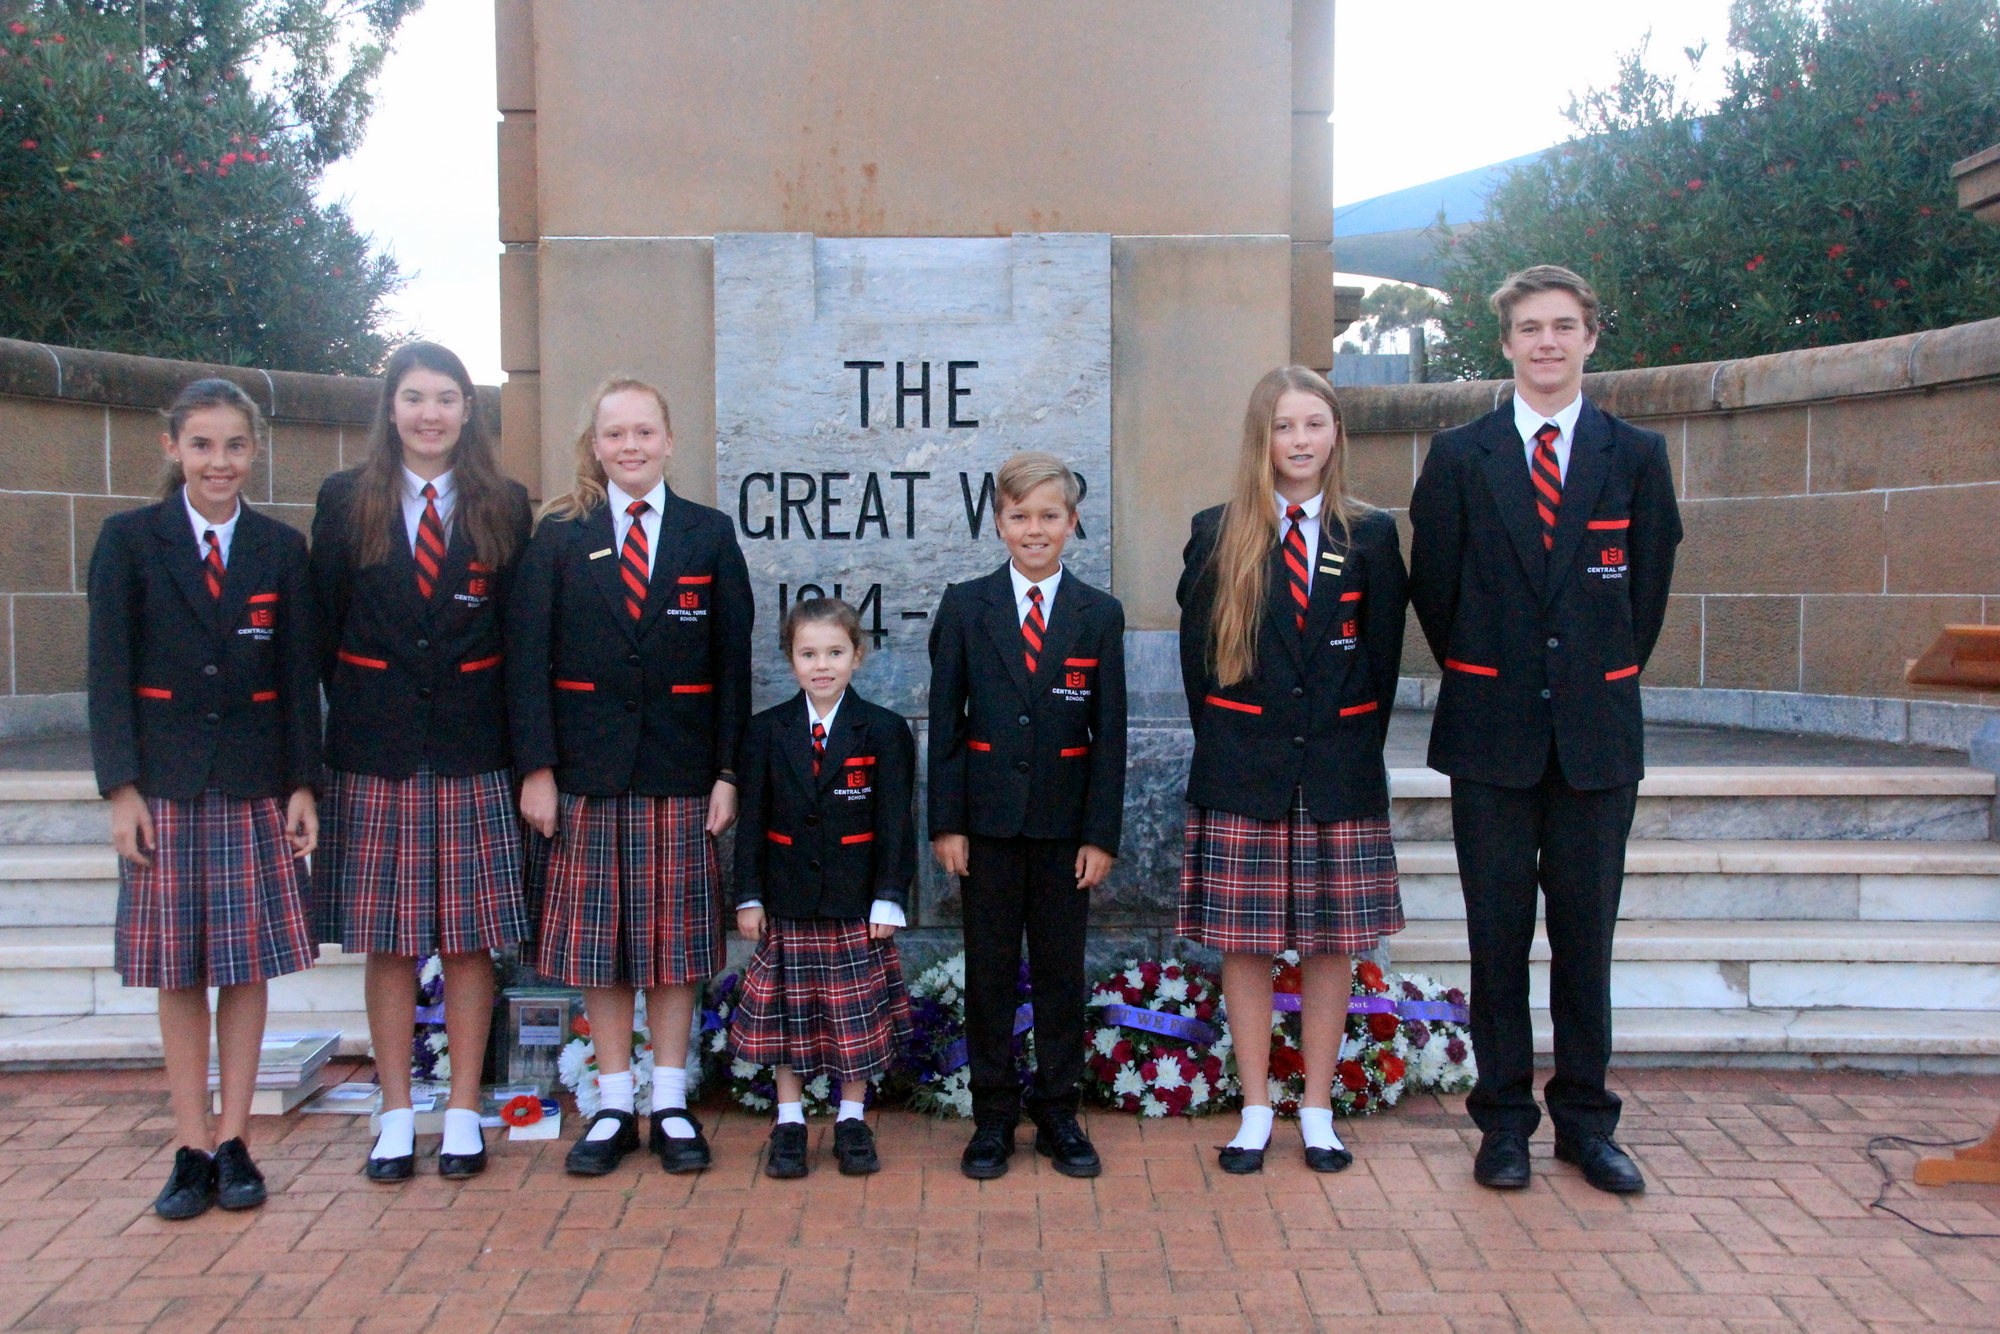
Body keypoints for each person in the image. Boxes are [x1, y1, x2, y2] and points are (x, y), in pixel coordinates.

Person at [1408, 265, 1682, 1195]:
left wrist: (1587, 676)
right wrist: (1500, 671)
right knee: (1495, 939)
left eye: (1564, 326)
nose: (1547, 342)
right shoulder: (1461, 455)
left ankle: (1586, 1123)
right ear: (1507, 343)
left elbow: (1646, 594)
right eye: (1530, 328)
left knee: (1584, 939)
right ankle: (1503, 1125)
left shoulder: (1634, 455)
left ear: (1591, 337)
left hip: (1597, 736)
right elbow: (1437, 592)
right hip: (1491, 732)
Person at [87, 378, 321, 1220]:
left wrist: (302, 782)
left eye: (234, 446)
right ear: (172, 448)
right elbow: (108, 672)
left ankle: (234, 1141)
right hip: (167, 786)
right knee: (178, 971)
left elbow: (297, 678)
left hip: (254, 782)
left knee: (245, 966)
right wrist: (121, 788)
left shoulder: (280, 548)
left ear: (253, 451)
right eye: (202, 445)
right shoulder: (129, 542)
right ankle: (189, 1148)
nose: (219, 462)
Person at [508, 377, 752, 1176]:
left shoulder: (708, 535)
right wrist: (538, 769)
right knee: (600, 952)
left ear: (669, 440)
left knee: (675, 951)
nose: (630, 446)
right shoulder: (559, 535)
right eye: (615, 434)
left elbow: (732, 667)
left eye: (644, 431)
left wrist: (728, 772)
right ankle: (615, 1105)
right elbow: (528, 663)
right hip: (586, 776)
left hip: (681, 775)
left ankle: (671, 1102)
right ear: (596, 444)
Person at [309, 342, 534, 1182]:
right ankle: (398, 1114)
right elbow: (323, 629)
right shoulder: (346, 500)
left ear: (468, 410)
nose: (430, 413)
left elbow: (517, 637)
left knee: (471, 944)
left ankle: (465, 1111)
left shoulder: (503, 503)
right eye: (414, 397)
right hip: (378, 753)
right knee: (390, 943)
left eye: (445, 397)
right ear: (391, 408)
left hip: (475, 750)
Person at [1176, 366, 1407, 1175]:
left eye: (1314, 424)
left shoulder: (1370, 535)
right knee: (1244, 946)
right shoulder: (1218, 532)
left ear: (1336, 433)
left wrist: (1342, 745)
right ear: (1261, 438)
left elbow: (1380, 663)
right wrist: (1244, 745)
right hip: (1245, 771)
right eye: (1283, 426)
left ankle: (1315, 1110)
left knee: (1330, 947)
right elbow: (1199, 668)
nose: (1300, 441)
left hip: (1337, 771)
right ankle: (1254, 1110)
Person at [928, 451, 1126, 1180]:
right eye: (1019, 516)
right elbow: (946, 725)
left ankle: (1058, 1111)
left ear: (1072, 522)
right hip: (985, 829)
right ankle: (992, 1116)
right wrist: (947, 823)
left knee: (1059, 973)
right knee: (988, 972)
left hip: (1064, 830)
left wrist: (1100, 834)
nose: (1034, 529)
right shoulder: (966, 606)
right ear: (998, 523)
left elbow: (1111, 734)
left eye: (1048, 515)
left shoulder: (1098, 615)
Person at [729, 597, 916, 1179]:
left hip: (855, 902)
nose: (822, 665)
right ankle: (789, 1121)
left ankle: (851, 1119)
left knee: (852, 1018)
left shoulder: (883, 730)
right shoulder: (766, 731)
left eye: (834, 652)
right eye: (808, 654)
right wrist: (749, 895)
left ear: (857, 656)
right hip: (786, 901)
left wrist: (889, 895)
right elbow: (752, 822)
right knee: (789, 1018)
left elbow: (896, 822)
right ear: (790, 659)